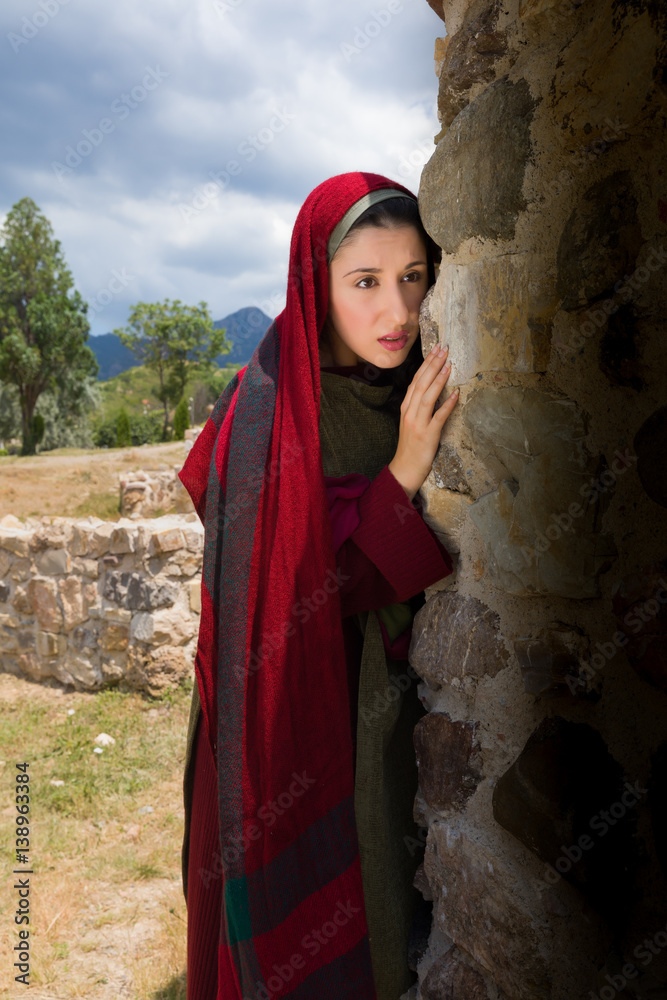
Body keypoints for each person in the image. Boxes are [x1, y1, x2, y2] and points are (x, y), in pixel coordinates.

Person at [178, 171, 459, 1000]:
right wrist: (400, 475)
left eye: (413, 277)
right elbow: (290, 588)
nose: (396, 312)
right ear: (315, 283)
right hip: (284, 711)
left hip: (376, 697)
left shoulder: (403, 386)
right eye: (364, 282)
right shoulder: (267, 410)